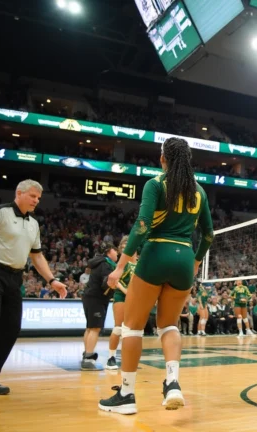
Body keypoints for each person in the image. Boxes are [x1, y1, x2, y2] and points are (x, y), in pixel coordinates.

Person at [98, 137, 213, 415]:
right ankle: (172, 383)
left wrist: (120, 266)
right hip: (184, 258)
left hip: (155, 254)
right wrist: (196, 261)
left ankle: (126, 395)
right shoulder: (199, 191)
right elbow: (208, 235)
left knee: (132, 327)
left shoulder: (155, 184)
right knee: (169, 326)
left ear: (163, 159)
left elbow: (142, 226)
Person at [0, 180, 66, 406]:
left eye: (39, 197)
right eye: (33, 196)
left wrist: (52, 280)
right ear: (19, 193)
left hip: (14, 278)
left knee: (11, 329)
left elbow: (36, 256)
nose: (37, 200)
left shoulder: (34, 224)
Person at [81, 242, 119, 370]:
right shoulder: (105, 264)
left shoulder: (98, 262)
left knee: (90, 328)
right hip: (96, 298)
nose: (117, 253)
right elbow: (105, 283)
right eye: (115, 250)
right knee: (95, 328)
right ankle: (88, 358)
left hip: (89, 297)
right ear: (109, 251)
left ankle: (86, 354)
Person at [107, 236, 136, 370]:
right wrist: (125, 291)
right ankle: (111, 358)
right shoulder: (120, 266)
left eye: (128, 248)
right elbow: (113, 285)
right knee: (118, 328)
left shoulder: (139, 264)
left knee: (131, 331)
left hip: (135, 298)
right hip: (122, 298)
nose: (126, 251)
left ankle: (127, 358)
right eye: (123, 249)